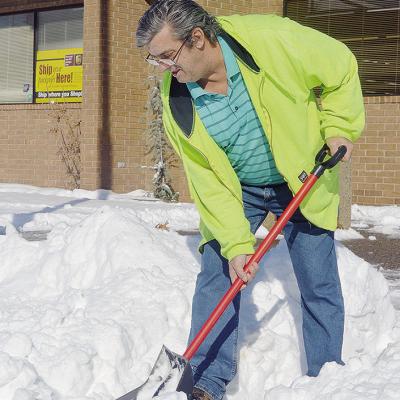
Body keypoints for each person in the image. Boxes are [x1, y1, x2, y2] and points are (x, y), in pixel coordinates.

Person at [136, 1, 365, 399]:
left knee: (318, 279)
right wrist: (238, 245)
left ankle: (328, 379)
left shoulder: (268, 40)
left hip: (301, 175)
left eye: (167, 57)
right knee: (217, 271)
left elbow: (341, 66)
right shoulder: (179, 100)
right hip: (239, 188)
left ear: (198, 38)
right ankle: (205, 382)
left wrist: (339, 128)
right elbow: (207, 181)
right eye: (155, 61)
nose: (164, 69)